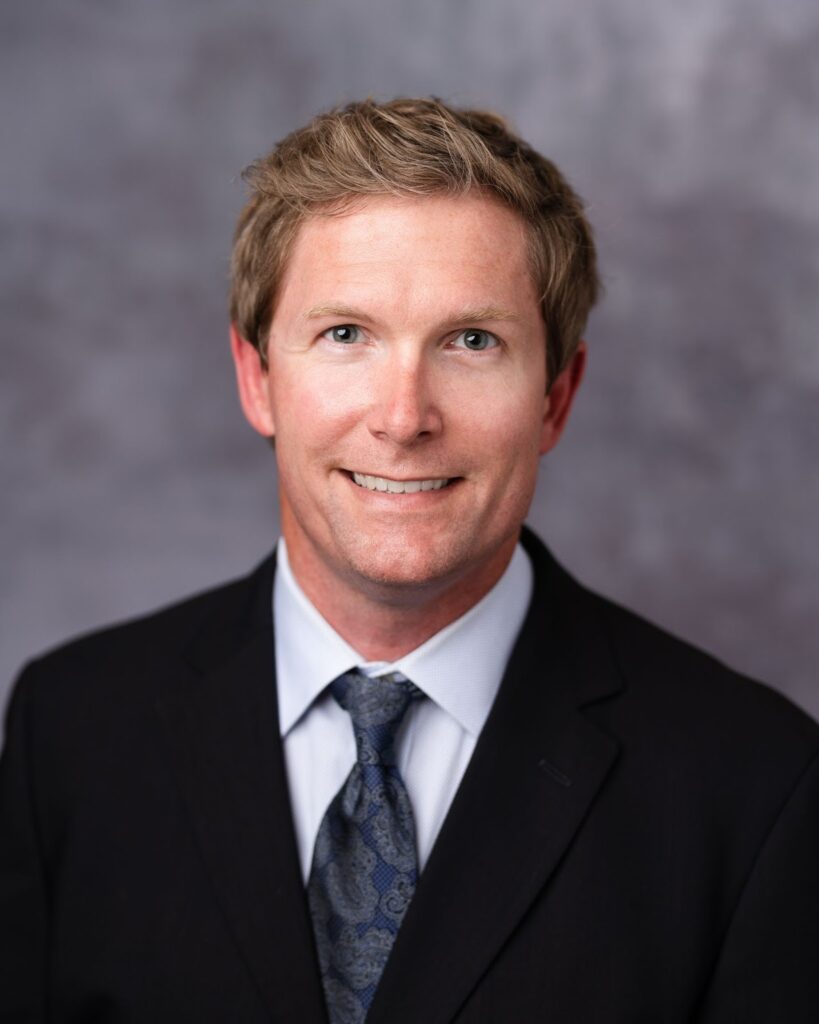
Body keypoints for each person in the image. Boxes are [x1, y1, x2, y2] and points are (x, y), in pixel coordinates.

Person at [1, 98, 818, 1024]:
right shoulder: (70, 732)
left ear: (555, 398)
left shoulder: (755, 785)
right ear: (257, 378)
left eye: (472, 341)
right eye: (345, 334)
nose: (402, 417)